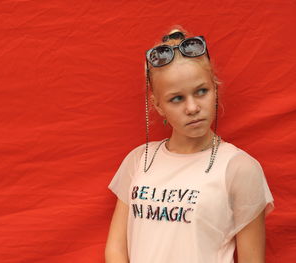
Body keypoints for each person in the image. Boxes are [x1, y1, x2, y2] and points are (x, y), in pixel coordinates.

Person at [105, 25, 275, 263]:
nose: (192, 107)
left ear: (215, 88)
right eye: (176, 98)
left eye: (201, 91)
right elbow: (115, 249)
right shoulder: (138, 160)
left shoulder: (240, 168)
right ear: (157, 105)